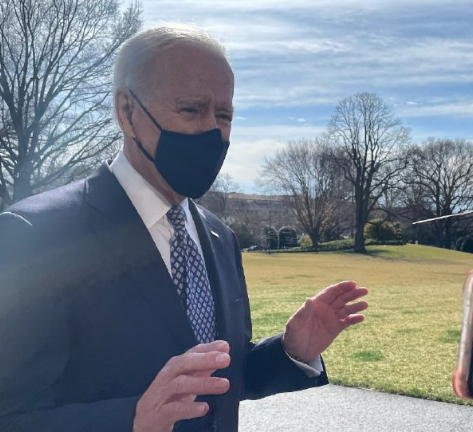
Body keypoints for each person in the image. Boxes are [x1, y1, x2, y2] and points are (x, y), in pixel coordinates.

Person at [0, 25, 368, 432]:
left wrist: (290, 352)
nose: (212, 131)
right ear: (127, 112)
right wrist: (132, 420)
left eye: (224, 115)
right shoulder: (36, 234)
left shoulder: (219, 236)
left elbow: (221, 378)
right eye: (191, 110)